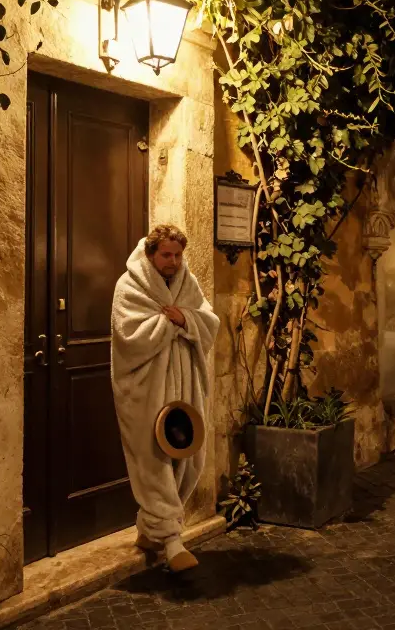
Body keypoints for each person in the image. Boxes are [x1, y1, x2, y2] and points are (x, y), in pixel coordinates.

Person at [110, 224, 219, 572]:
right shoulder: (129, 286)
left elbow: (209, 321)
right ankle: (172, 541)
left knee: (189, 454)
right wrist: (170, 325)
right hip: (144, 389)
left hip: (185, 385)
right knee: (153, 457)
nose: (172, 261)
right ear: (151, 253)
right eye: (166, 255)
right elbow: (129, 335)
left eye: (177, 254)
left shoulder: (188, 282)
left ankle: (150, 529)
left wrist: (185, 317)